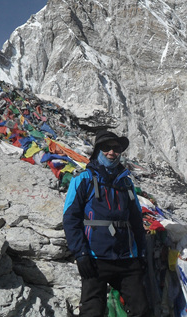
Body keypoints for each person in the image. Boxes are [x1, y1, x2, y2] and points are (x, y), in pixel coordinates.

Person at [63, 130, 148, 316]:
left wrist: (141, 252)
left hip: (127, 258)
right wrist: (81, 253)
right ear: (97, 151)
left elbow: (136, 221)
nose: (111, 152)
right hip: (94, 258)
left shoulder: (126, 184)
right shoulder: (83, 180)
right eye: (106, 147)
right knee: (92, 310)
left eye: (116, 148)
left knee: (141, 309)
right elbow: (70, 219)